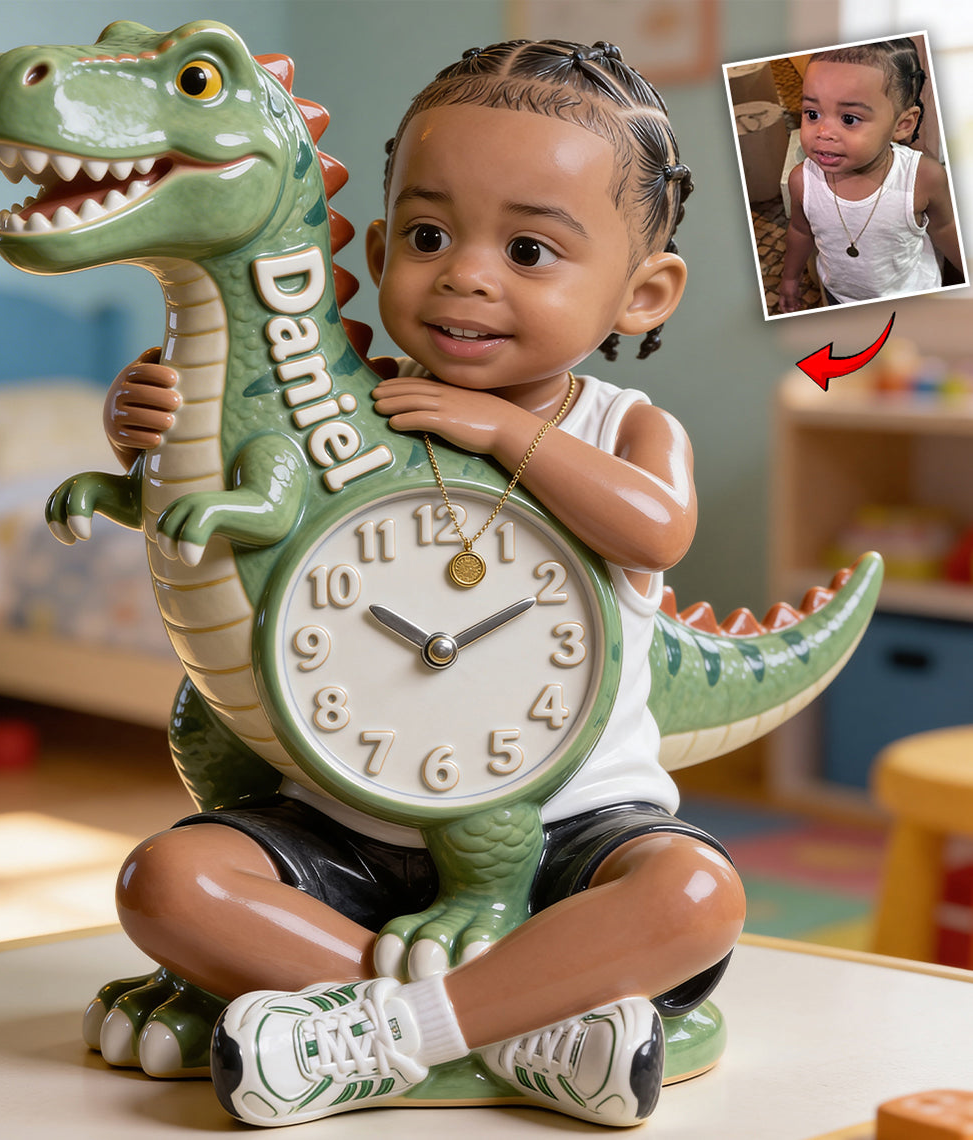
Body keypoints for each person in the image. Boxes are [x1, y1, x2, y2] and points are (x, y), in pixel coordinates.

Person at [105, 39, 744, 1128]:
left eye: (530, 250)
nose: (466, 274)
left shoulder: (626, 427)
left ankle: (373, 1037)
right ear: (380, 243)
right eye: (428, 235)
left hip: (571, 830)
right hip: (339, 829)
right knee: (167, 884)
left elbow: (659, 526)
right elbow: (234, 480)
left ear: (644, 293)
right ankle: (523, 1028)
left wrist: (501, 431)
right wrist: (148, 425)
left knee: (693, 896)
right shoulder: (343, 409)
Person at [778, 38, 960, 313]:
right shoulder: (803, 181)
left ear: (902, 124)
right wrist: (790, 278)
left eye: (849, 119)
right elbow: (801, 230)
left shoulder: (922, 178)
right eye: (812, 114)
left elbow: (945, 228)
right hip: (841, 296)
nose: (823, 132)